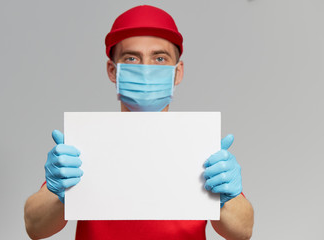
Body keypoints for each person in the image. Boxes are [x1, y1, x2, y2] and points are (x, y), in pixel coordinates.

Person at [24, 5, 254, 240]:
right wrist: (57, 191)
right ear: (112, 71)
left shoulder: (197, 144)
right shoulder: (90, 142)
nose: (145, 69)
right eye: (132, 58)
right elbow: (35, 226)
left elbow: (242, 232)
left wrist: (227, 198)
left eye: (160, 58)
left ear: (178, 72)